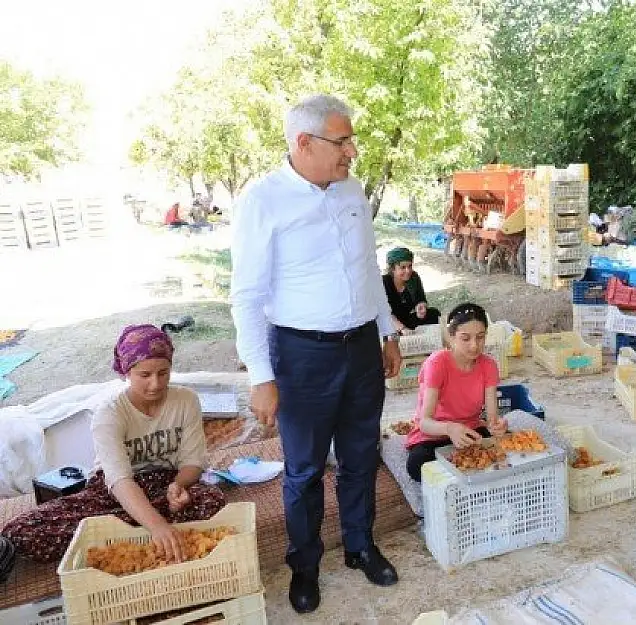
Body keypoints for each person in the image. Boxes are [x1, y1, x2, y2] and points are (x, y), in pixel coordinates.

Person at [230, 94, 402, 614]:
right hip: (302, 355)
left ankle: (359, 545)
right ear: (303, 143)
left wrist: (387, 332)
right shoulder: (262, 200)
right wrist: (262, 376)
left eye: (351, 140)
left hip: (362, 351)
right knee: (303, 469)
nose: (352, 151)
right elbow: (246, 295)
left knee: (360, 454)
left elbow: (368, 269)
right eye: (341, 141)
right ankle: (304, 564)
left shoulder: (350, 190)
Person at [1, 325, 225, 563]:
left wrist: (178, 486)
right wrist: (157, 525)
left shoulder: (186, 400)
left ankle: (118, 529)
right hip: (116, 490)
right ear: (126, 372)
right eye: (145, 375)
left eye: (163, 373)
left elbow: (193, 462)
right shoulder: (109, 413)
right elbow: (119, 480)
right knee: (24, 531)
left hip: (165, 482)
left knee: (212, 500)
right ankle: (141, 525)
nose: (156, 384)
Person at [405, 303, 505, 482]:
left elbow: (492, 420)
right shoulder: (437, 363)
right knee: (417, 465)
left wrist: (498, 427)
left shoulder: (488, 365)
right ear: (451, 337)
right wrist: (449, 428)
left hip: (470, 431)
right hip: (434, 434)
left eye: (480, 337)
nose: (474, 346)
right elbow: (424, 423)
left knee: (503, 451)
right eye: (465, 338)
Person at [382, 247, 441, 334]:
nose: (408, 271)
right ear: (393, 269)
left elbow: (420, 298)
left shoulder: (413, 277)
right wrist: (402, 328)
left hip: (407, 318)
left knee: (434, 313)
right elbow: (384, 313)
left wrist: (420, 307)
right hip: (391, 322)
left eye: (410, 266)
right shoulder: (384, 282)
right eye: (403, 267)